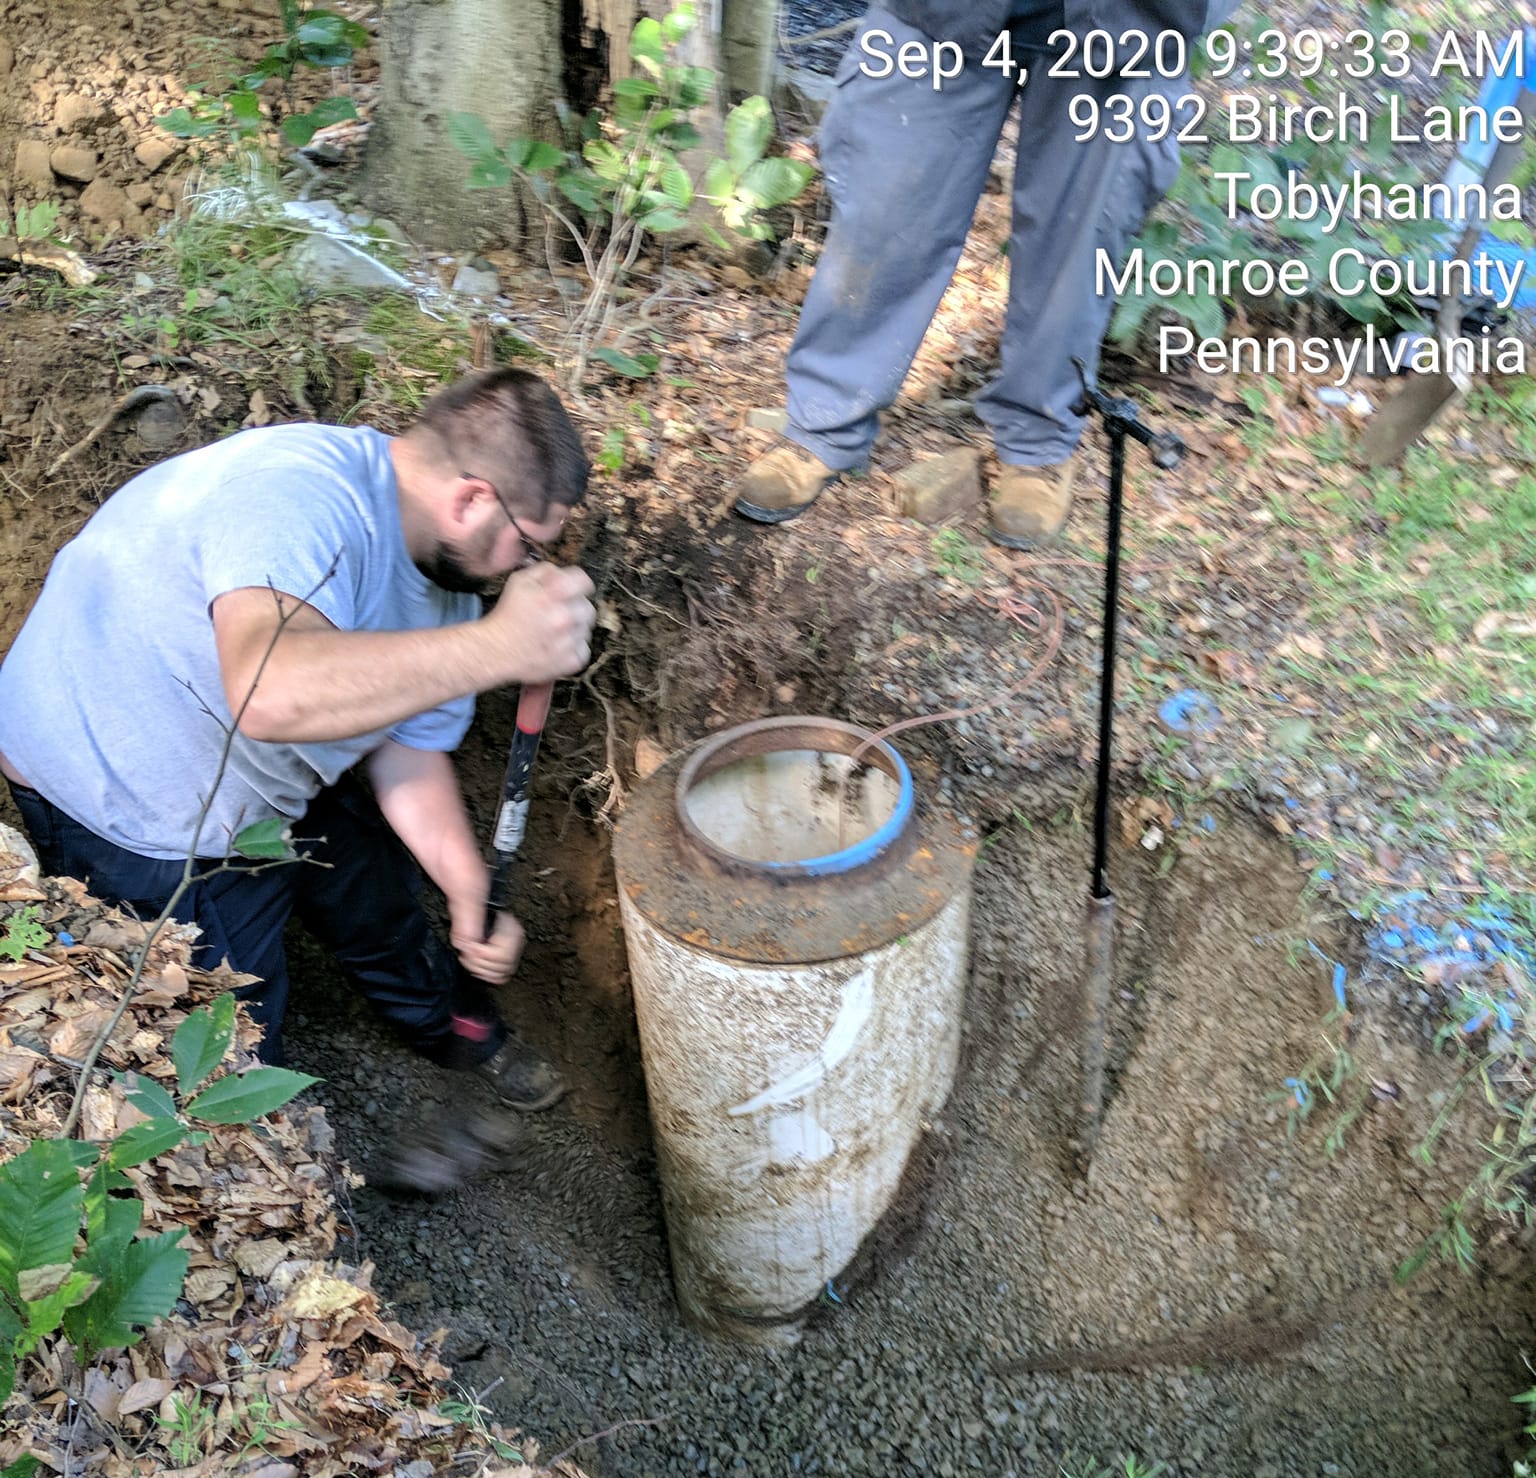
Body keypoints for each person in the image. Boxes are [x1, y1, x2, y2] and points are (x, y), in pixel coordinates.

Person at [0, 367, 597, 1191]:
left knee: (376, 889)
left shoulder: (449, 585)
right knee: (229, 1046)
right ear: (469, 501)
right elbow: (269, 689)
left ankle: (452, 1028)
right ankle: (278, 1190)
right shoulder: (297, 496)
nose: (520, 571)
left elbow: (405, 750)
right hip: (126, 802)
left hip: (254, 774)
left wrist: (467, 891)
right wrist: (507, 647)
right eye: (526, 544)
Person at [732, 1, 1228, 546]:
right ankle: (823, 418)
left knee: (1082, 238)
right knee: (887, 207)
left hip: (1131, 15)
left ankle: (1039, 441)